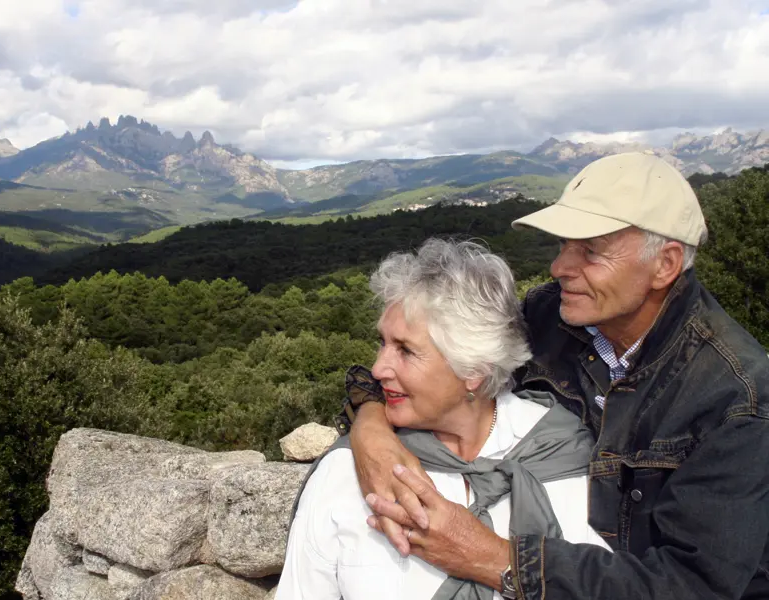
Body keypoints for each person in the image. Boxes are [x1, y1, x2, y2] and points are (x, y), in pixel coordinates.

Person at [347, 152, 769, 599]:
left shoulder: (738, 400)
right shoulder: (550, 316)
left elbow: (690, 588)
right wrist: (370, 429)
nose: (560, 267)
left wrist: (492, 557)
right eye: (562, 245)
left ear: (664, 265)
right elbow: (434, 369)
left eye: (590, 251)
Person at [275, 239, 609, 600]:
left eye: (405, 350)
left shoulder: (571, 462)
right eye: (382, 343)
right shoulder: (346, 472)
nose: (377, 368)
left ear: (473, 369)